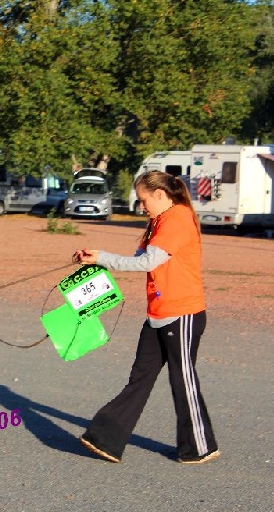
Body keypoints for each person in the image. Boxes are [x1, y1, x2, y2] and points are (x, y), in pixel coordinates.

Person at [72, 171, 219, 464]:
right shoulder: (157, 222)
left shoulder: (178, 218)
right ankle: (105, 439)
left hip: (183, 313)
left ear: (160, 195)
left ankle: (200, 447)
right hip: (158, 315)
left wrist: (103, 257)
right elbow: (138, 257)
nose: (141, 206)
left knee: (183, 380)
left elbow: (147, 262)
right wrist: (94, 258)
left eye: (143, 200)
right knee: (140, 377)